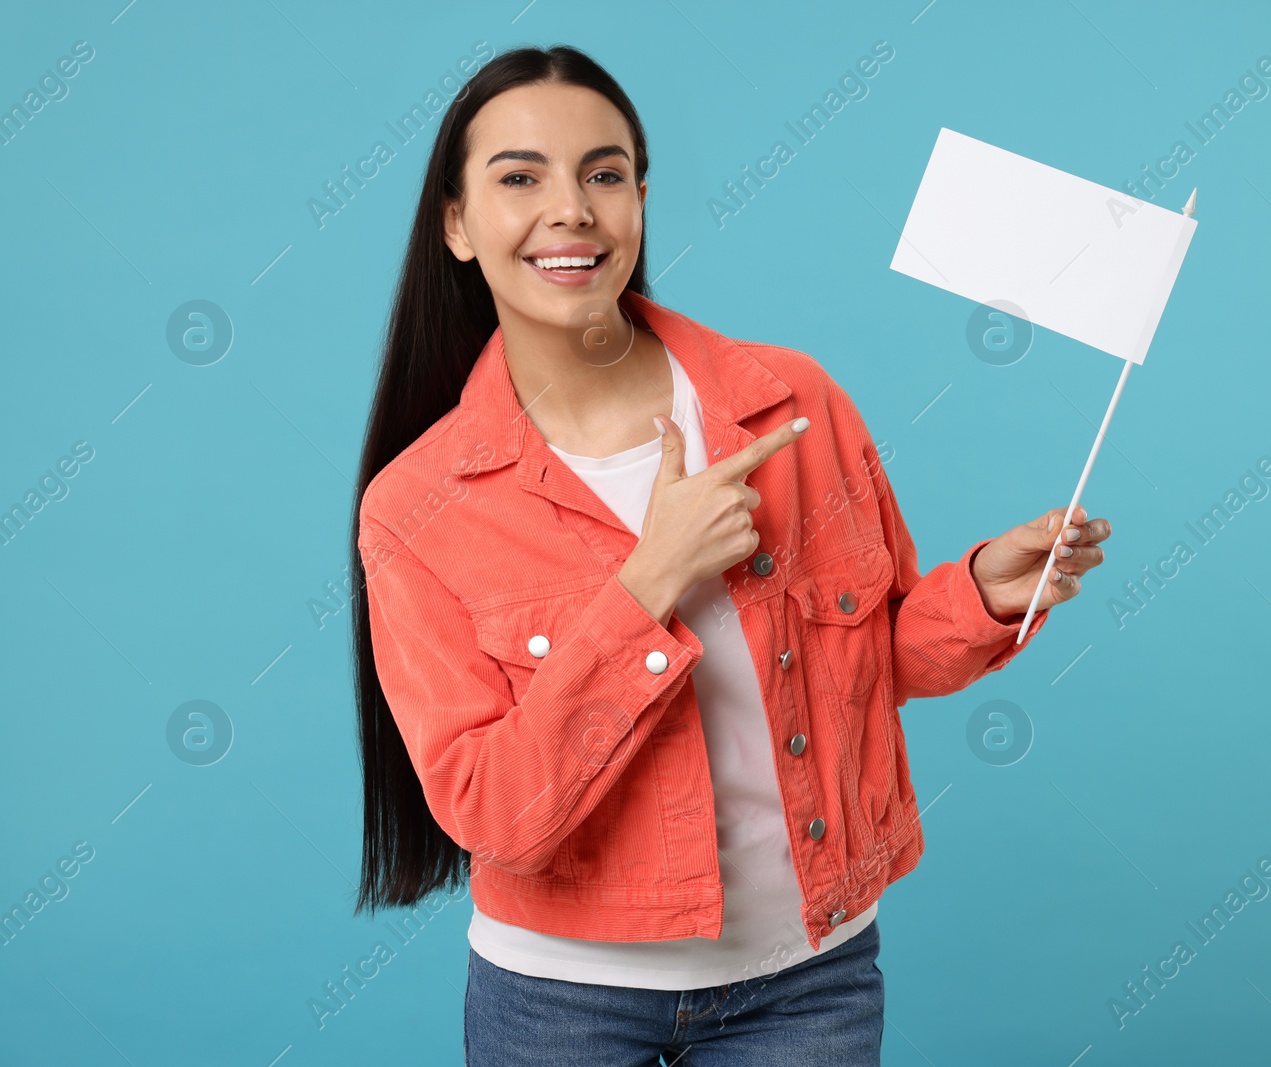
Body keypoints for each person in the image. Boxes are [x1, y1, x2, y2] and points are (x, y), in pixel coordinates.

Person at [349, 44, 1112, 1066]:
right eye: (519, 177)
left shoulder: (794, 404)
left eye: (604, 174)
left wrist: (979, 596)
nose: (570, 208)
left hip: (809, 978)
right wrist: (648, 580)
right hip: (560, 1000)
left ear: (640, 200)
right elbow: (498, 814)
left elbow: (871, 662)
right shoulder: (417, 507)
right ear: (455, 223)